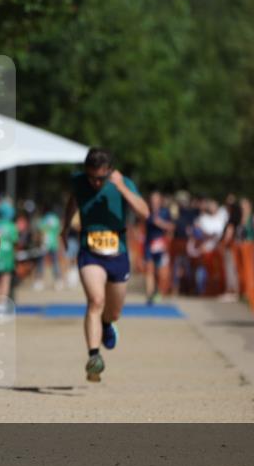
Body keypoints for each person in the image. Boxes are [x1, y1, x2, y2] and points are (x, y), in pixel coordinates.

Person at [61, 148, 149, 382]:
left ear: (110, 171)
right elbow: (73, 199)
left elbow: (144, 212)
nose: (96, 182)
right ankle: (94, 356)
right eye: (92, 177)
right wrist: (65, 225)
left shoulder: (123, 182)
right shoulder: (79, 181)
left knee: (114, 310)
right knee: (96, 301)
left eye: (101, 178)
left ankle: (108, 324)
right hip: (90, 250)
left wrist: (120, 187)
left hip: (117, 252)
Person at [143, 191, 174, 305]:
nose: (153, 202)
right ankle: (149, 295)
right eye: (152, 200)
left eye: (156, 200)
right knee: (149, 270)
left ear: (160, 201)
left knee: (160, 273)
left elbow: (171, 227)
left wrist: (160, 223)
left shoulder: (165, 212)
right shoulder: (146, 212)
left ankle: (158, 292)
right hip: (148, 245)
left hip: (160, 245)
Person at [0, 201, 19, 316]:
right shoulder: (12, 226)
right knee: (5, 282)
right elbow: (15, 241)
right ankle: (1, 307)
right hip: (7, 257)